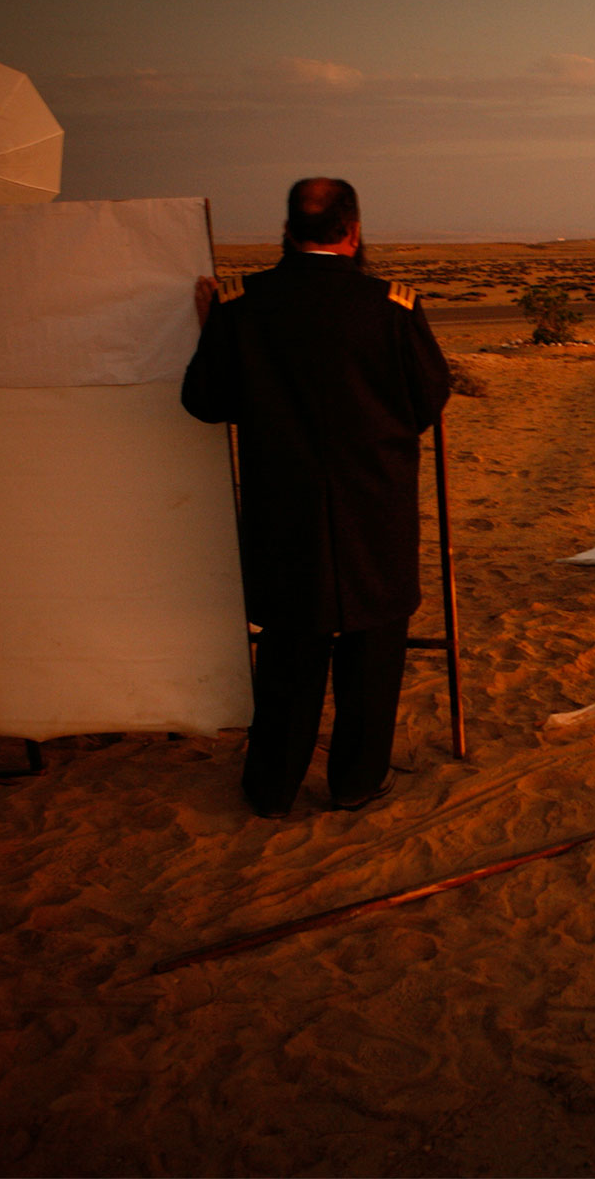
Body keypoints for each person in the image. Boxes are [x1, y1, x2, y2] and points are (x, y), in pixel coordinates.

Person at [181, 178, 452, 818]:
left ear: (287, 232)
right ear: (353, 232)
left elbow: (205, 402)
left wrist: (213, 327)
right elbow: (427, 400)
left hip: (284, 513)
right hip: (375, 510)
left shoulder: (244, 307)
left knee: (287, 652)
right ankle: (356, 782)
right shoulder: (392, 306)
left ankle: (272, 788)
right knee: (373, 650)